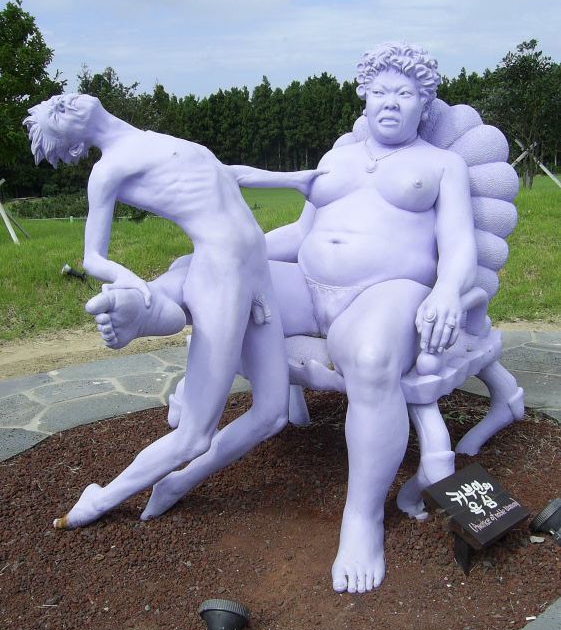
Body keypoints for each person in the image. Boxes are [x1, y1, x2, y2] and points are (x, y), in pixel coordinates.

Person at [82, 43, 478, 594]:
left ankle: (361, 518)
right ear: (364, 98)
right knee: (210, 271)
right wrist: (239, 255)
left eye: (405, 94)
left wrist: (448, 291)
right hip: (307, 286)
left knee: (370, 358)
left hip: (386, 293)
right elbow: (300, 233)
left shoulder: (442, 165)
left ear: (424, 105)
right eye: (380, 91)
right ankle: (148, 308)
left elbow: (459, 245)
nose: (391, 102)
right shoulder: (338, 157)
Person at [24, 93, 321, 530]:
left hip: (256, 271)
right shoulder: (108, 170)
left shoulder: (154, 138)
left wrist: (297, 179)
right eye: (57, 115)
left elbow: (228, 174)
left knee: (272, 413)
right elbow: (92, 257)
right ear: (72, 145)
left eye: (59, 100)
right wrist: (132, 281)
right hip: (220, 275)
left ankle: (175, 484)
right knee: (194, 435)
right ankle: (99, 500)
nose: (63, 103)